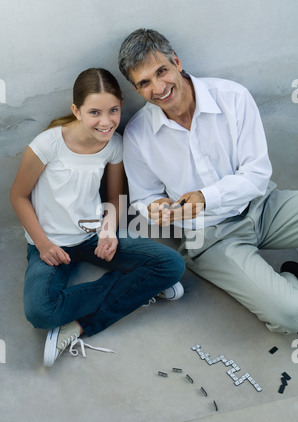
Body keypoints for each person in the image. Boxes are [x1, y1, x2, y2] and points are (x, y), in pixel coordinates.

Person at [118, 29, 298, 334]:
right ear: (137, 90)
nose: (159, 88)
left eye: (162, 71)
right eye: (144, 83)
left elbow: (256, 175)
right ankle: (291, 277)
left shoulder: (234, 97)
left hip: (263, 205)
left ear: (176, 62)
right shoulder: (137, 136)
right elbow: (143, 198)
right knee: (291, 315)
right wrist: (158, 209)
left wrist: (205, 196)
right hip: (211, 237)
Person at [10, 67, 185, 367]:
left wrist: (108, 232)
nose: (106, 122)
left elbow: (114, 199)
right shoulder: (48, 145)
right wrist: (42, 244)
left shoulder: (114, 144)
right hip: (51, 245)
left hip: (93, 236)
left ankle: (79, 327)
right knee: (40, 312)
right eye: (94, 112)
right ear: (76, 110)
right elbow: (18, 196)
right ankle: (139, 286)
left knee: (172, 264)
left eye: (113, 110)